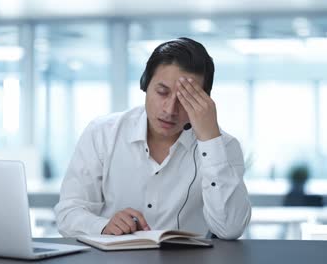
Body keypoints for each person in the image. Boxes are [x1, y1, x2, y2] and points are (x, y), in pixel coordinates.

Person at [54, 37, 251, 240]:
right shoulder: (102, 133)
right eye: (162, 92)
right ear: (145, 84)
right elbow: (67, 213)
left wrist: (210, 140)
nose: (170, 110)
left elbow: (230, 229)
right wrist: (104, 226)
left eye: (185, 99)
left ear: (203, 100)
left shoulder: (223, 146)